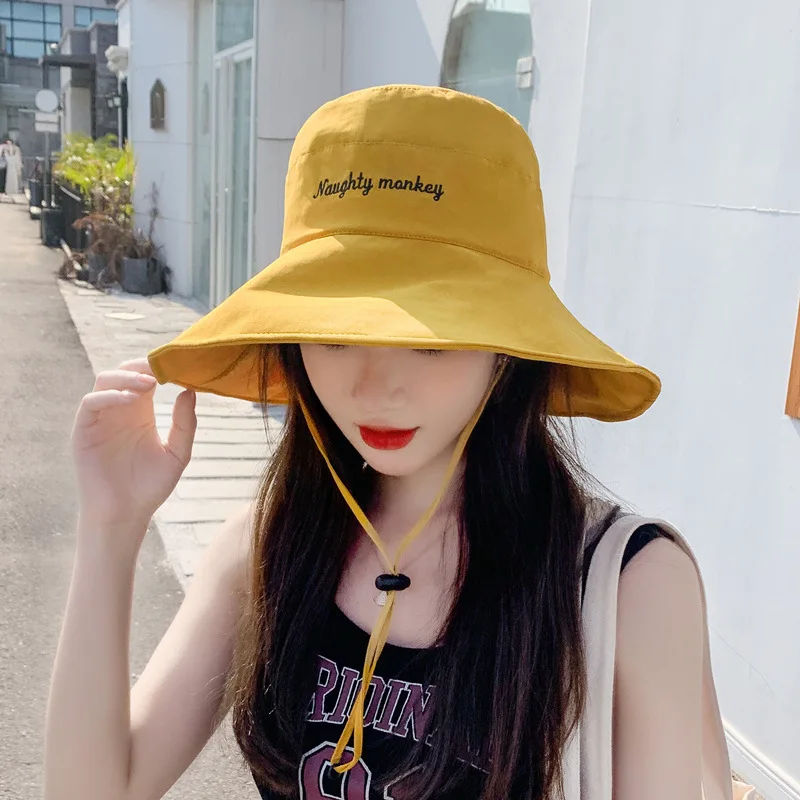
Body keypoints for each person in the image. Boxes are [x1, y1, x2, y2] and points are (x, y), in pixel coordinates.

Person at [45, 86, 717, 799]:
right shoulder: (267, 547)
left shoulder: (627, 584)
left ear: (509, 349)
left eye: (431, 338)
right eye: (335, 334)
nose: (375, 387)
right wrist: (111, 527)